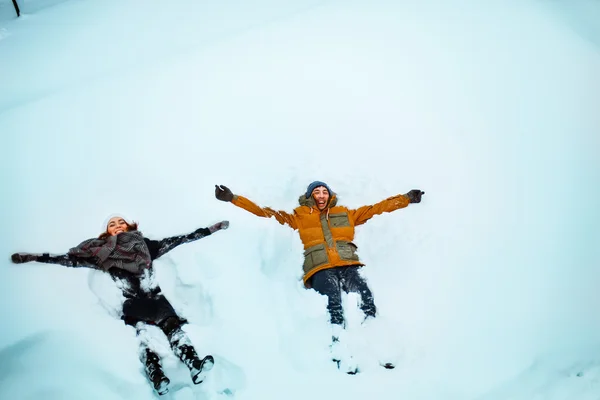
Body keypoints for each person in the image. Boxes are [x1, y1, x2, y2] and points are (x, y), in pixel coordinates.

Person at [215, 181, 423, 370]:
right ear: (310, 196)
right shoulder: (298, 217)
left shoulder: (346, 214)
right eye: (317, 192)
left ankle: (376, 339)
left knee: (364, 293)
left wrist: (405, 198)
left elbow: (377, 209)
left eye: (325, 192)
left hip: (348, 263)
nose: (321, 195)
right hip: (319, 267)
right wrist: (233, 199)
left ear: (330, 196)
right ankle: (339, 345)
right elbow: (264, 213)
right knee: (333, 296)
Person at [11, 215, 229, 395]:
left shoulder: (145, 246)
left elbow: (179, 240)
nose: (117, 226)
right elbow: (70, 260)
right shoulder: (102, 254)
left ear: (129, 226)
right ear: (106, 232)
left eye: (120, 222)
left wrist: (212, 229)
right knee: (144, 337)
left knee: (173, 328)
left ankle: (194, 364)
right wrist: (34, 257)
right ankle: (157, 377)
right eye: (112, 224)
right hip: (133, 304)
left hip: (156, 299)